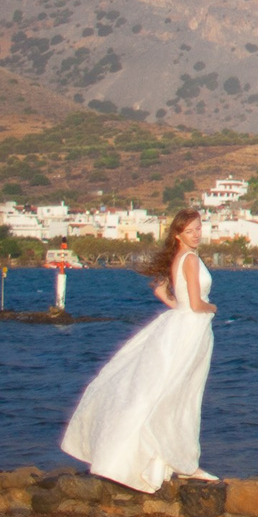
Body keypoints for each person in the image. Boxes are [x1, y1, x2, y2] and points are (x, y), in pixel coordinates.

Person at [60, 206, 218, 492]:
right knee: (181, 395)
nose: (196, 234)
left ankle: (168, 458)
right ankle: (182, 461)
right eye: (190, 230)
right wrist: (213, 307)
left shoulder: (178, 257)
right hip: (191, 330)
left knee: (165, 392)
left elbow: (161, 291)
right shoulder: (191, 259)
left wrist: (180, 306)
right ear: (178, 234)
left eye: (198, 228)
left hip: (179, 325)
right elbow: (196, 304)